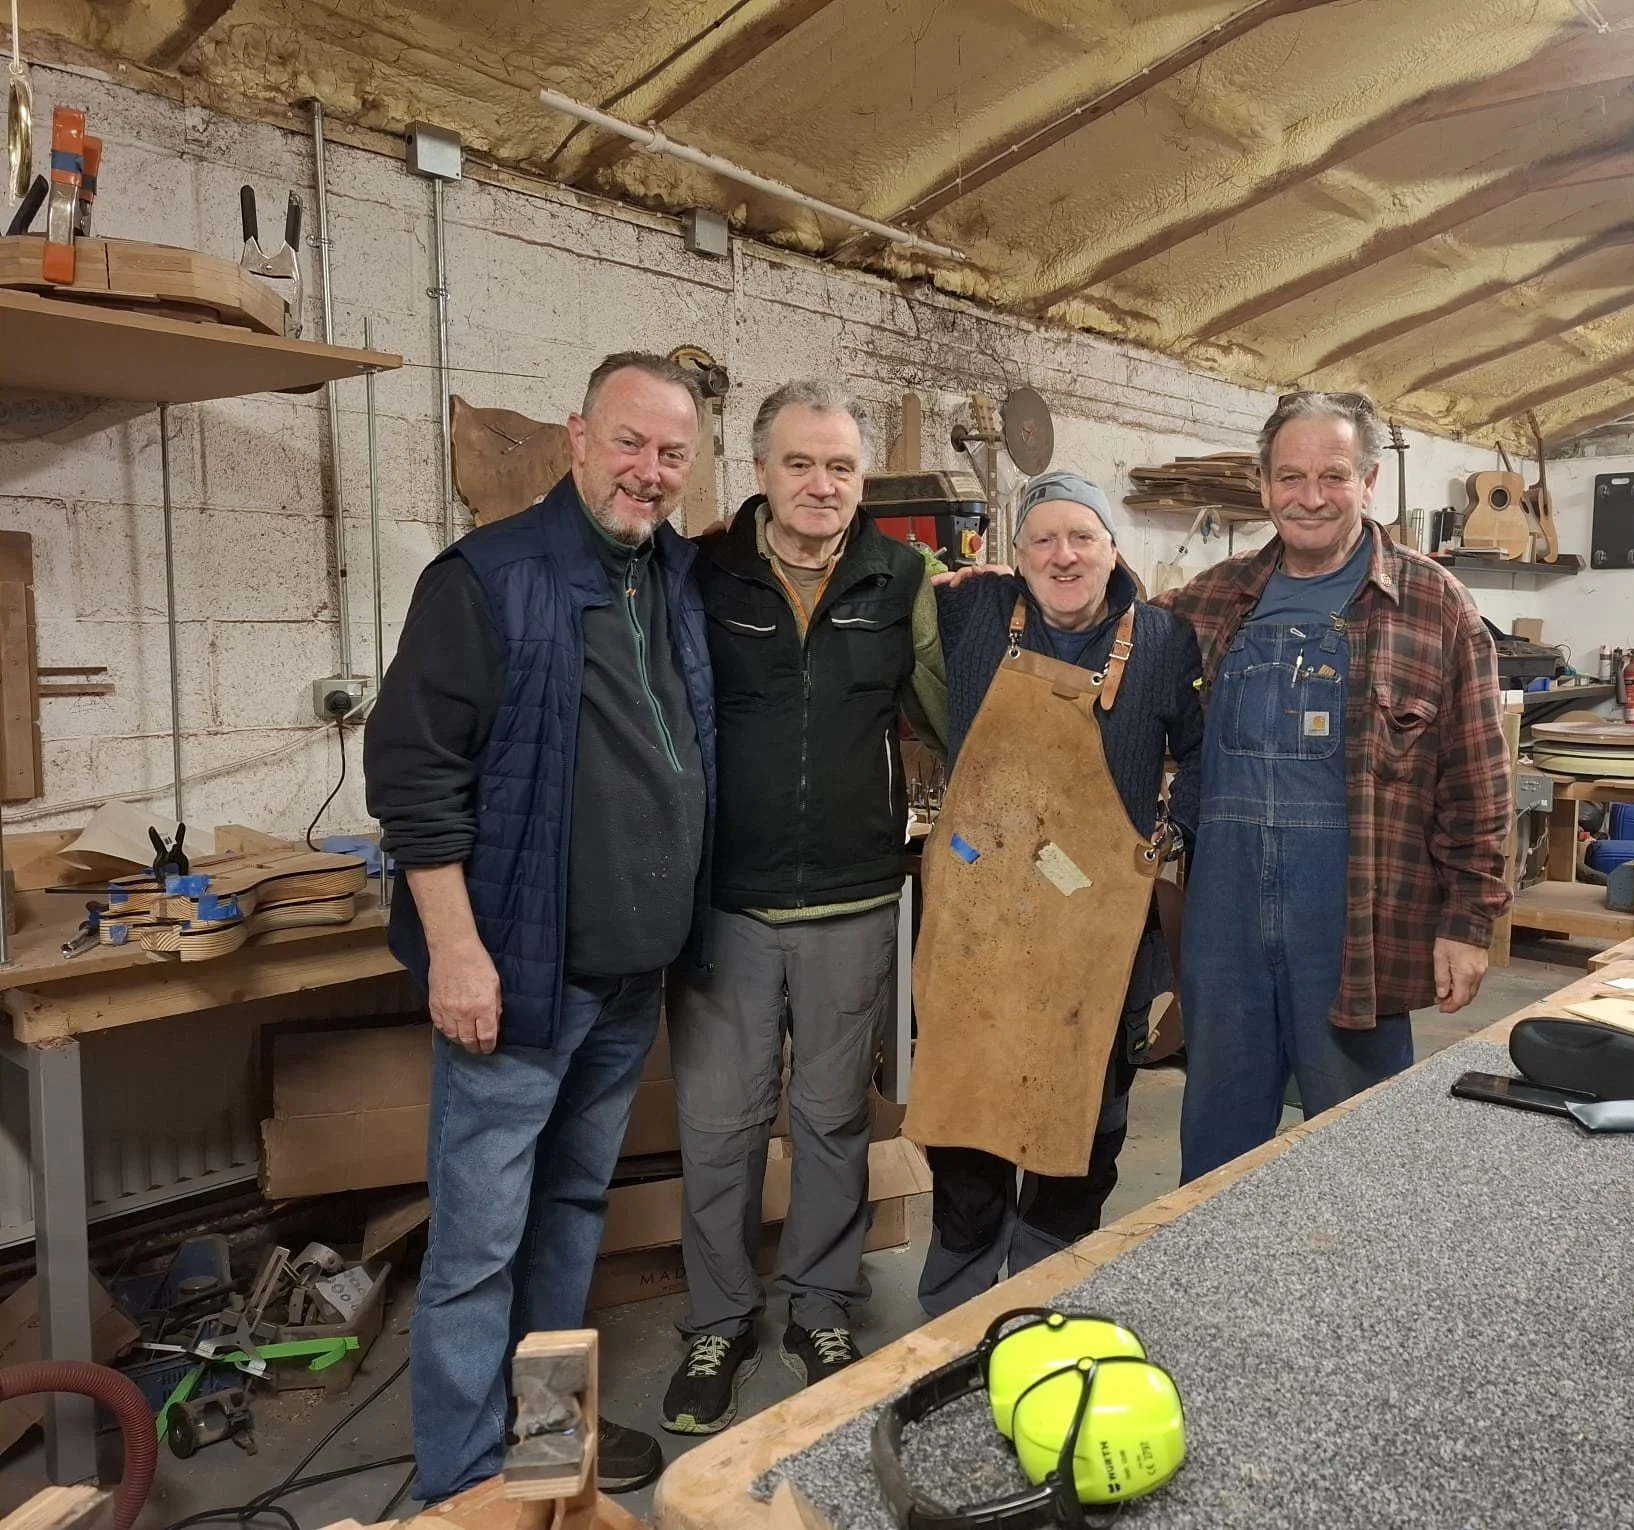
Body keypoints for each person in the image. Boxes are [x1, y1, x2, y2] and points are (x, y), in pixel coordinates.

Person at [365, 352, 715, 1501]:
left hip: (626, 980)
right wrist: (459, 953)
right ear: (577, 437)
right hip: (520, 976)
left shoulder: (671, 575)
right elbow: (415, 780)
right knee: (477, 1252)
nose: (649, 472)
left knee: (570, 1220)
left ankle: (542, 1456)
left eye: (672, 453)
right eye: (629, 443)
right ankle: (463, 1491)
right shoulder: (486, 578)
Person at [662, 379, 946, 1433]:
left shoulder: (903, 577)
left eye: (839, 467)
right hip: (726, 905)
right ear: (760, 472)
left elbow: (948, 715)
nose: (820, 485)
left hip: (854, 898)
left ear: (860, 479)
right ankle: (718, 1321)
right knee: (721, 1125)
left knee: (832, 1121)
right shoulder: (701, 572)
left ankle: (822, 1305)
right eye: (799, 463)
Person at [1160, 389, 1511, 1184]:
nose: (1310, 497)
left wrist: (1467, 920)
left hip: (1356, 921)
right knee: (1218, 1145)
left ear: (1370, 482)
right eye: (1290, 477)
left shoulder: (1432, 603)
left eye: (1333, 476)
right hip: (1225, 922)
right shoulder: (1209, 600)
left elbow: (1479, 780)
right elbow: (1102, 641)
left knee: (1361, 1152)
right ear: (1262, 484)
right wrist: (1009, 587)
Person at [909, 468, 1204, 1316]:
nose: (1064, 555)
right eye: (1043, 538)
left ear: (1114, 548)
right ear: (1015, 553)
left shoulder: (1161, 641)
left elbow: (1202, 753)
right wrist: (942, 574)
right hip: (979, 927)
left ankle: (1043, 1301)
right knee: (968, 1126)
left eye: (1083, 537)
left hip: (1097, 935)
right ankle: (955, 1319)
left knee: (1086, 1130)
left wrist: (1169, 835)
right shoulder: (968, 612)